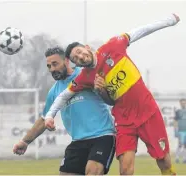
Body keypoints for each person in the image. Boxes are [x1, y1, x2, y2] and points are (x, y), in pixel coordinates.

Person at [44, 14, 180, 175]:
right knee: (125, 170)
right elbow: (64, 95)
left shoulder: (113, 46)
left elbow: (139, 32)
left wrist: (169, 21)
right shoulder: (85, 77)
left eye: (80, 52)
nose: (80, 57)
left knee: (163, 161)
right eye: (75, 58)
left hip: (147, 110)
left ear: (87, 47)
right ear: (76, 63)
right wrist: (50, 116)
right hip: (123, 120)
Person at [13, 47, 116, 175]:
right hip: (78, 142)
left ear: (67, 61)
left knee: (93, 172)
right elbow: (44, 119)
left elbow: (111, 96)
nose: (52, 69)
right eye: (49, 66)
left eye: (55, 64)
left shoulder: (86, 74)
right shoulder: (54, 92)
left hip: (102, 136)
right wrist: (25, 141)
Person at [174, 98, 186, 163]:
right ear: (180, 103)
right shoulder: (178, 111)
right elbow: (175, 121)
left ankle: (184, 159)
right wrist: (176, 130)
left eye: (184, 103)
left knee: (185, 145)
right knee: (180, 144)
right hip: (180, 131)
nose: (183, 104)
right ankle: (177, 158)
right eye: (182, 103)